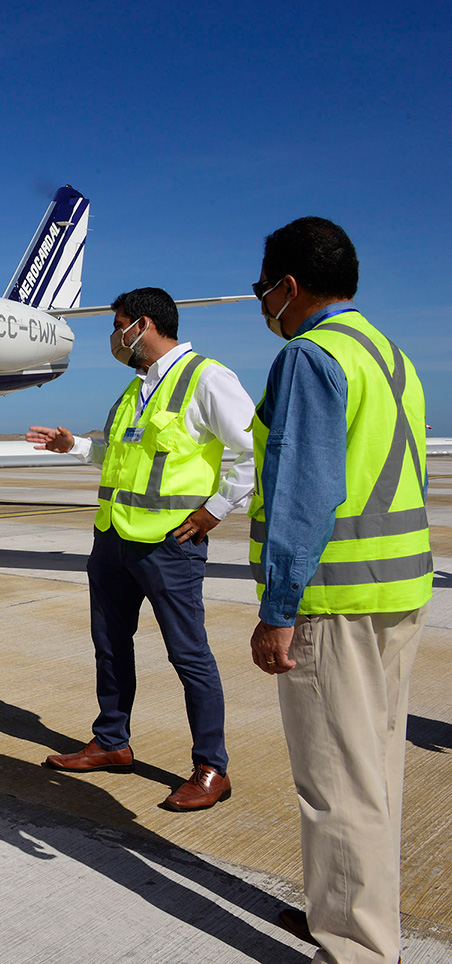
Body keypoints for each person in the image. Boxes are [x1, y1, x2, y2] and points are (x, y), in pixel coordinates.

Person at [248, 217, 429, 964]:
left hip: (335, 600)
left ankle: (354, 948)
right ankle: (347, 912)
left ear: (289, 287)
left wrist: (277, 609)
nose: (264, 306)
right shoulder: (392, 356)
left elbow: (303, 493)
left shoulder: (309, 357)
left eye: (264, 291)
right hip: (400, 593)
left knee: (335, 785)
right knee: (375, 773)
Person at [26, 287, 254, 811]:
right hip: (113, 538)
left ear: (142, 325)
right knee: (109, 642)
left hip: (170, 545)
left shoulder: (207, 379)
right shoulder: (134, 390)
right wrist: (75, 446)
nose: (113, 337)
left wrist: (215, 509)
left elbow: (251, 451)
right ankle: (112, 742)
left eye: (117, 325)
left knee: (188, 654)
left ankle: (211, 767)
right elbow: (119, 456)